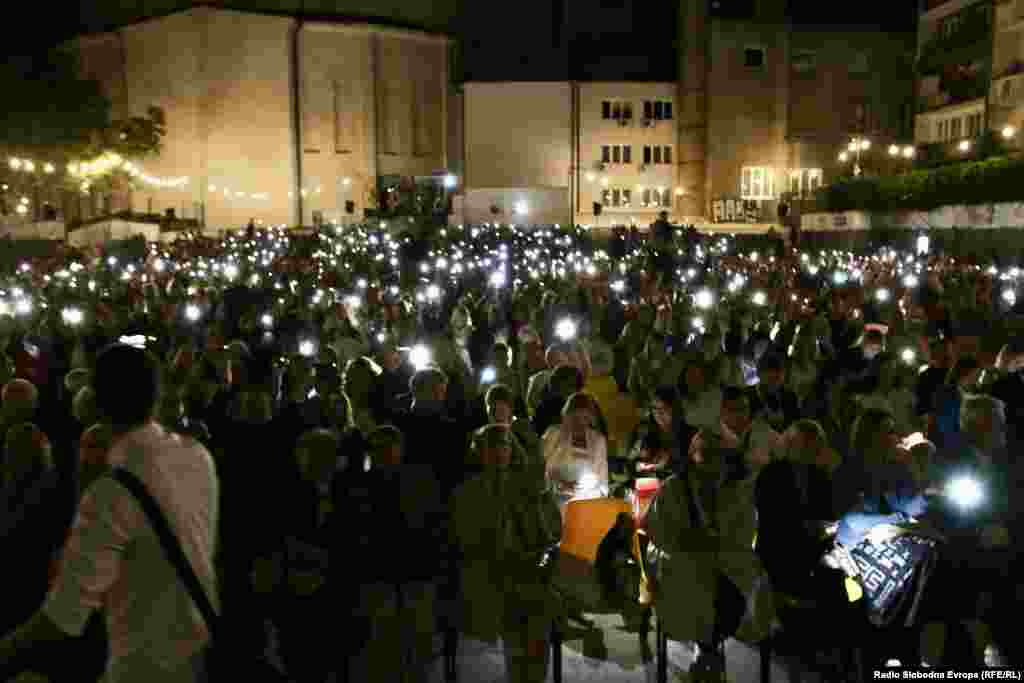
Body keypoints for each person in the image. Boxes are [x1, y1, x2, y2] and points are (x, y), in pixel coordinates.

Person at [0, 344, 219, 683]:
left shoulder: (111, 492)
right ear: (157, 396)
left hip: (144, 667)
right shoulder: (198, 457)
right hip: (203, 656)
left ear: (97, 404)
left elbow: (64, 616)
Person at [450, 424, 562, 683]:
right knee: (515, 604)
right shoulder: (466, 492)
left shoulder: (526, 487)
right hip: (487, 576)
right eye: (492, 446)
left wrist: (539, 558)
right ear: (480, 452)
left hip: (525, 574)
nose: (500, 452)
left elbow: (550, 534)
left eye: (504, 445)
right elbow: (465, 543)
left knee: (537, 608)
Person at [541, 392, 609, 518]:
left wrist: (587, 491)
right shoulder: (553, 434)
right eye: (575, 418)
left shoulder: (598, 440)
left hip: (586, 506)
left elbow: (603, 482)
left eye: (585, 418)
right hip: (554, 504)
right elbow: (540, 468)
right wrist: (561, 484)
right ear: (566, 416)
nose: (580, 423)